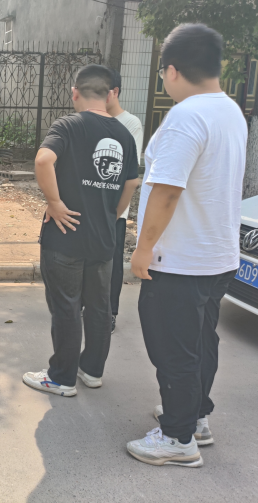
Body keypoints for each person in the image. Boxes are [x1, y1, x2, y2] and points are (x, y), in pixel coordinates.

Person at [126, 24, 247, 468]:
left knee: (173, 348)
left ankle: (177, 440)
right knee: (200, 341)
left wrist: (143, 248)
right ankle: (195, 418)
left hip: (179, 259)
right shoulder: (231, 111)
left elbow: (167, 190)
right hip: (217, 256)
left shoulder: (185, 116)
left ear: (172, 70)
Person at [23, 64, 139, 398]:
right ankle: (92, 370)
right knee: (99, 307)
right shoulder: (124, 134)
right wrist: (111, 214)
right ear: (109, 94)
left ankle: (61, 377)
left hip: (66, 235)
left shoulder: (68, 125)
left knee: (66, 306)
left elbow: (43, 160)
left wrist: (55, 202)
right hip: (104, 237)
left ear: (75, 92)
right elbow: (131, 182)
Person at [105, 69, 143, 333]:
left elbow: (129, 171)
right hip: (91, 206)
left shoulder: (131, 124)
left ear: (115, 92)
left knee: (112, 261)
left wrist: (117, 210)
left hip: (115, 208)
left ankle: (110, 311)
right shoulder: (93, 119)